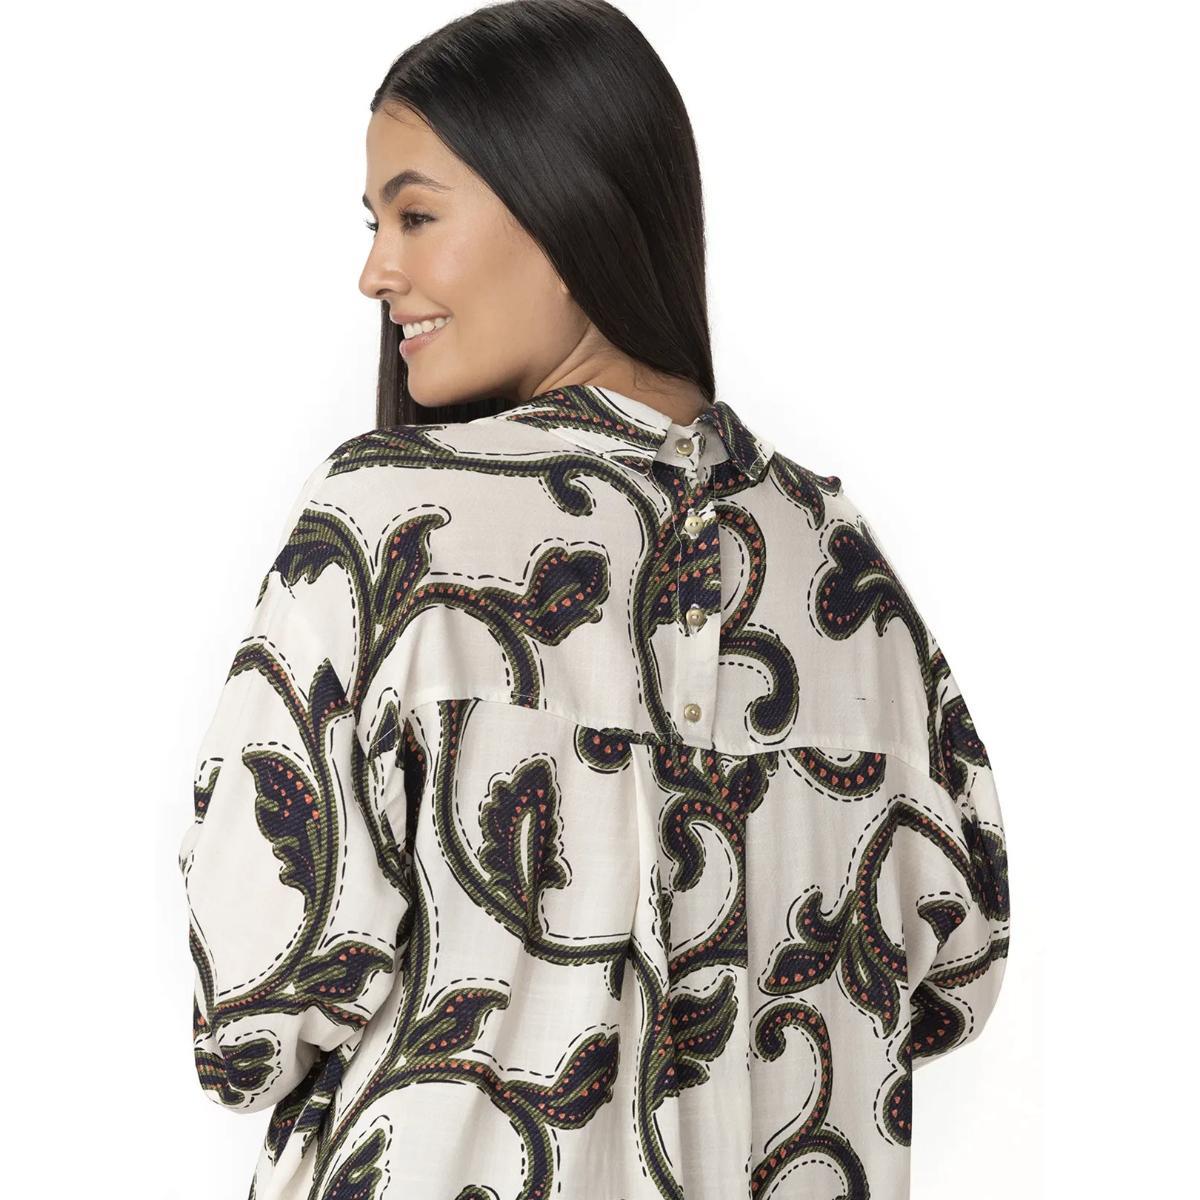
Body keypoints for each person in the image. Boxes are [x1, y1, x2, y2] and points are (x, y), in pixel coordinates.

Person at [175, 2, 1011, 1197]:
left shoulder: (388, 528)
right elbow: (958, 971)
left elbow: (252, 1007)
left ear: (566, 213)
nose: (376, 272)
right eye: (376, 224)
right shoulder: (845, 572)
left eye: (415, 216)